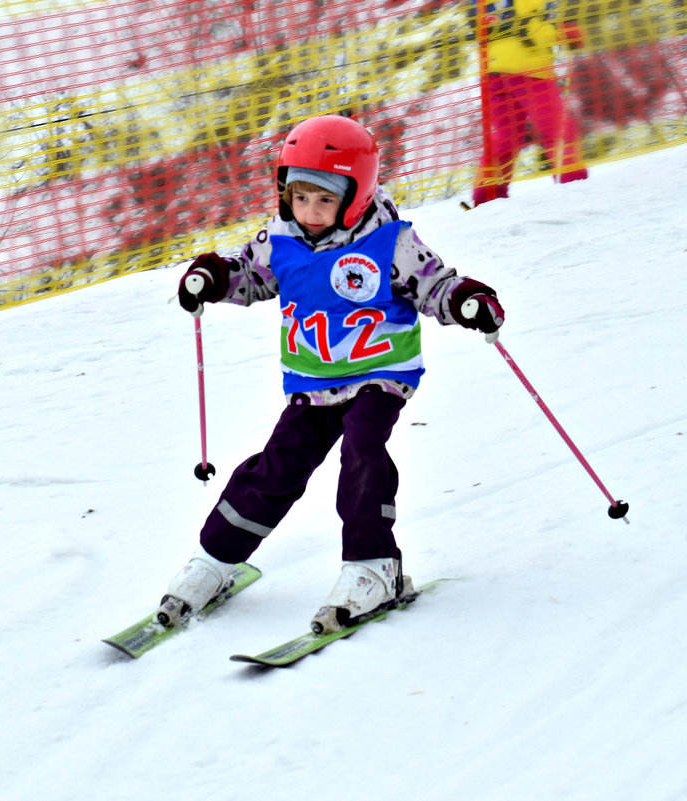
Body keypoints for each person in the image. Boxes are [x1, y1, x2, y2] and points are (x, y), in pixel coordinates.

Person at [158, 114, 505, 634]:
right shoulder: (281, 242)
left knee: (362, 449)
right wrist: (212, 277)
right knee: (276, 467)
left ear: (358, 195)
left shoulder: (391, 242)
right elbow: (249, 274)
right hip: (313, 382)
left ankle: (374, 565)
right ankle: (215, 559)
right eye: (300, 198)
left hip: (379, 374)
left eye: (325, 199)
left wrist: (467, 301)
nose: (311, 211)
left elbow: (435, 285)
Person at [473, 0, 588, 207]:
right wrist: (564, 34)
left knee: (507, 136)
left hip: (494, 70)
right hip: (528, 69)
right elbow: (530, 27)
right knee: (557, 128)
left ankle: (487, 195)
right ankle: (574, 183)